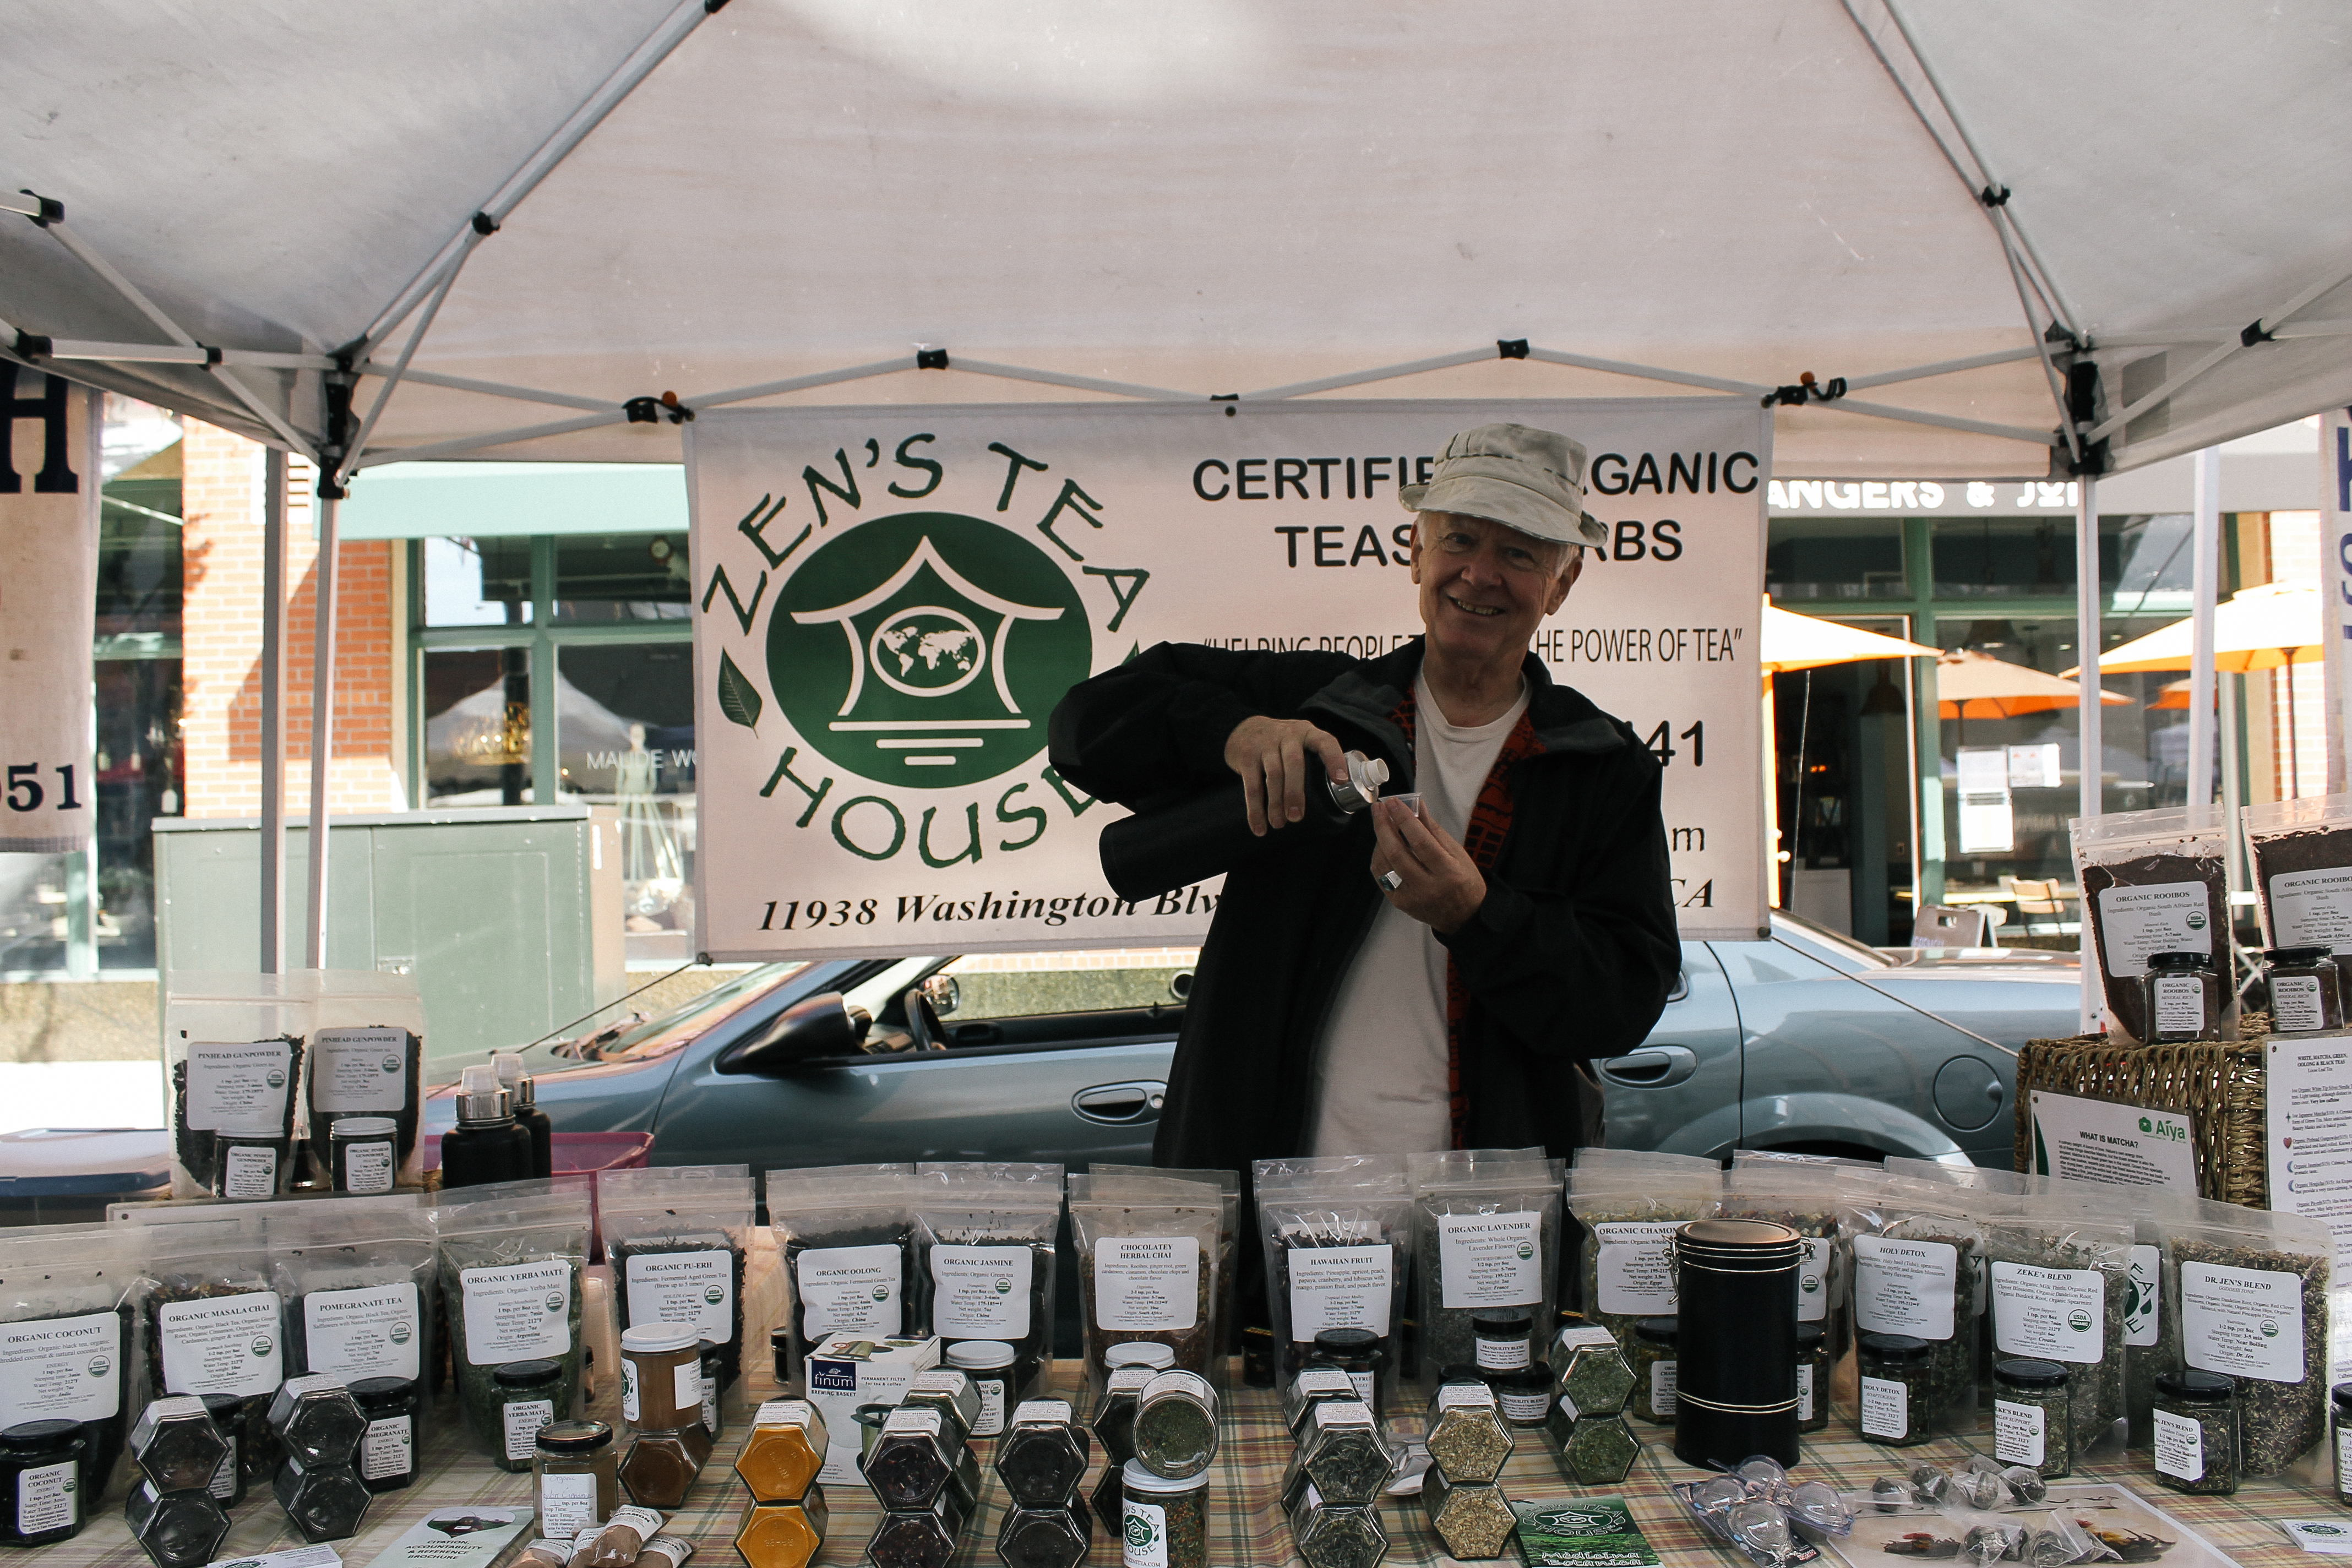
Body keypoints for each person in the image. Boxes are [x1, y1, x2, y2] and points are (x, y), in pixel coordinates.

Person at [1048, 423, 1679, 1171]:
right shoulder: (1316, 706)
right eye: (1460, 541)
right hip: (1280, 1192)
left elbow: (1622, 1006)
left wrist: (1478, 917)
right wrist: (1235, 732)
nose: (1479, 574)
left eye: (1518, 553)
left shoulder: (1602, 765)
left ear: (1562, 582)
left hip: (1486, 1213)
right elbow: (1083, 727)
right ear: (1416, 551)